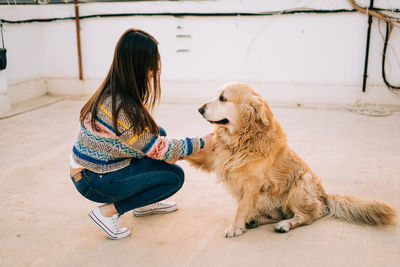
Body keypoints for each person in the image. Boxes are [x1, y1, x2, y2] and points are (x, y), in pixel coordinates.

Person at [70, 28, 213, 240]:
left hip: (96, 168)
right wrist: (201, 142)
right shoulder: (117, 106)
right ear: (136, 66)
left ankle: (145, 204)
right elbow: (157, 149)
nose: (155, 68)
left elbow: (152, 142)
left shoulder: (117, 92)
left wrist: (176, 152)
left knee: (159, 133)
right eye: (151, 63)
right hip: (93, 180)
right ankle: (108, 212)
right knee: (173, 177)